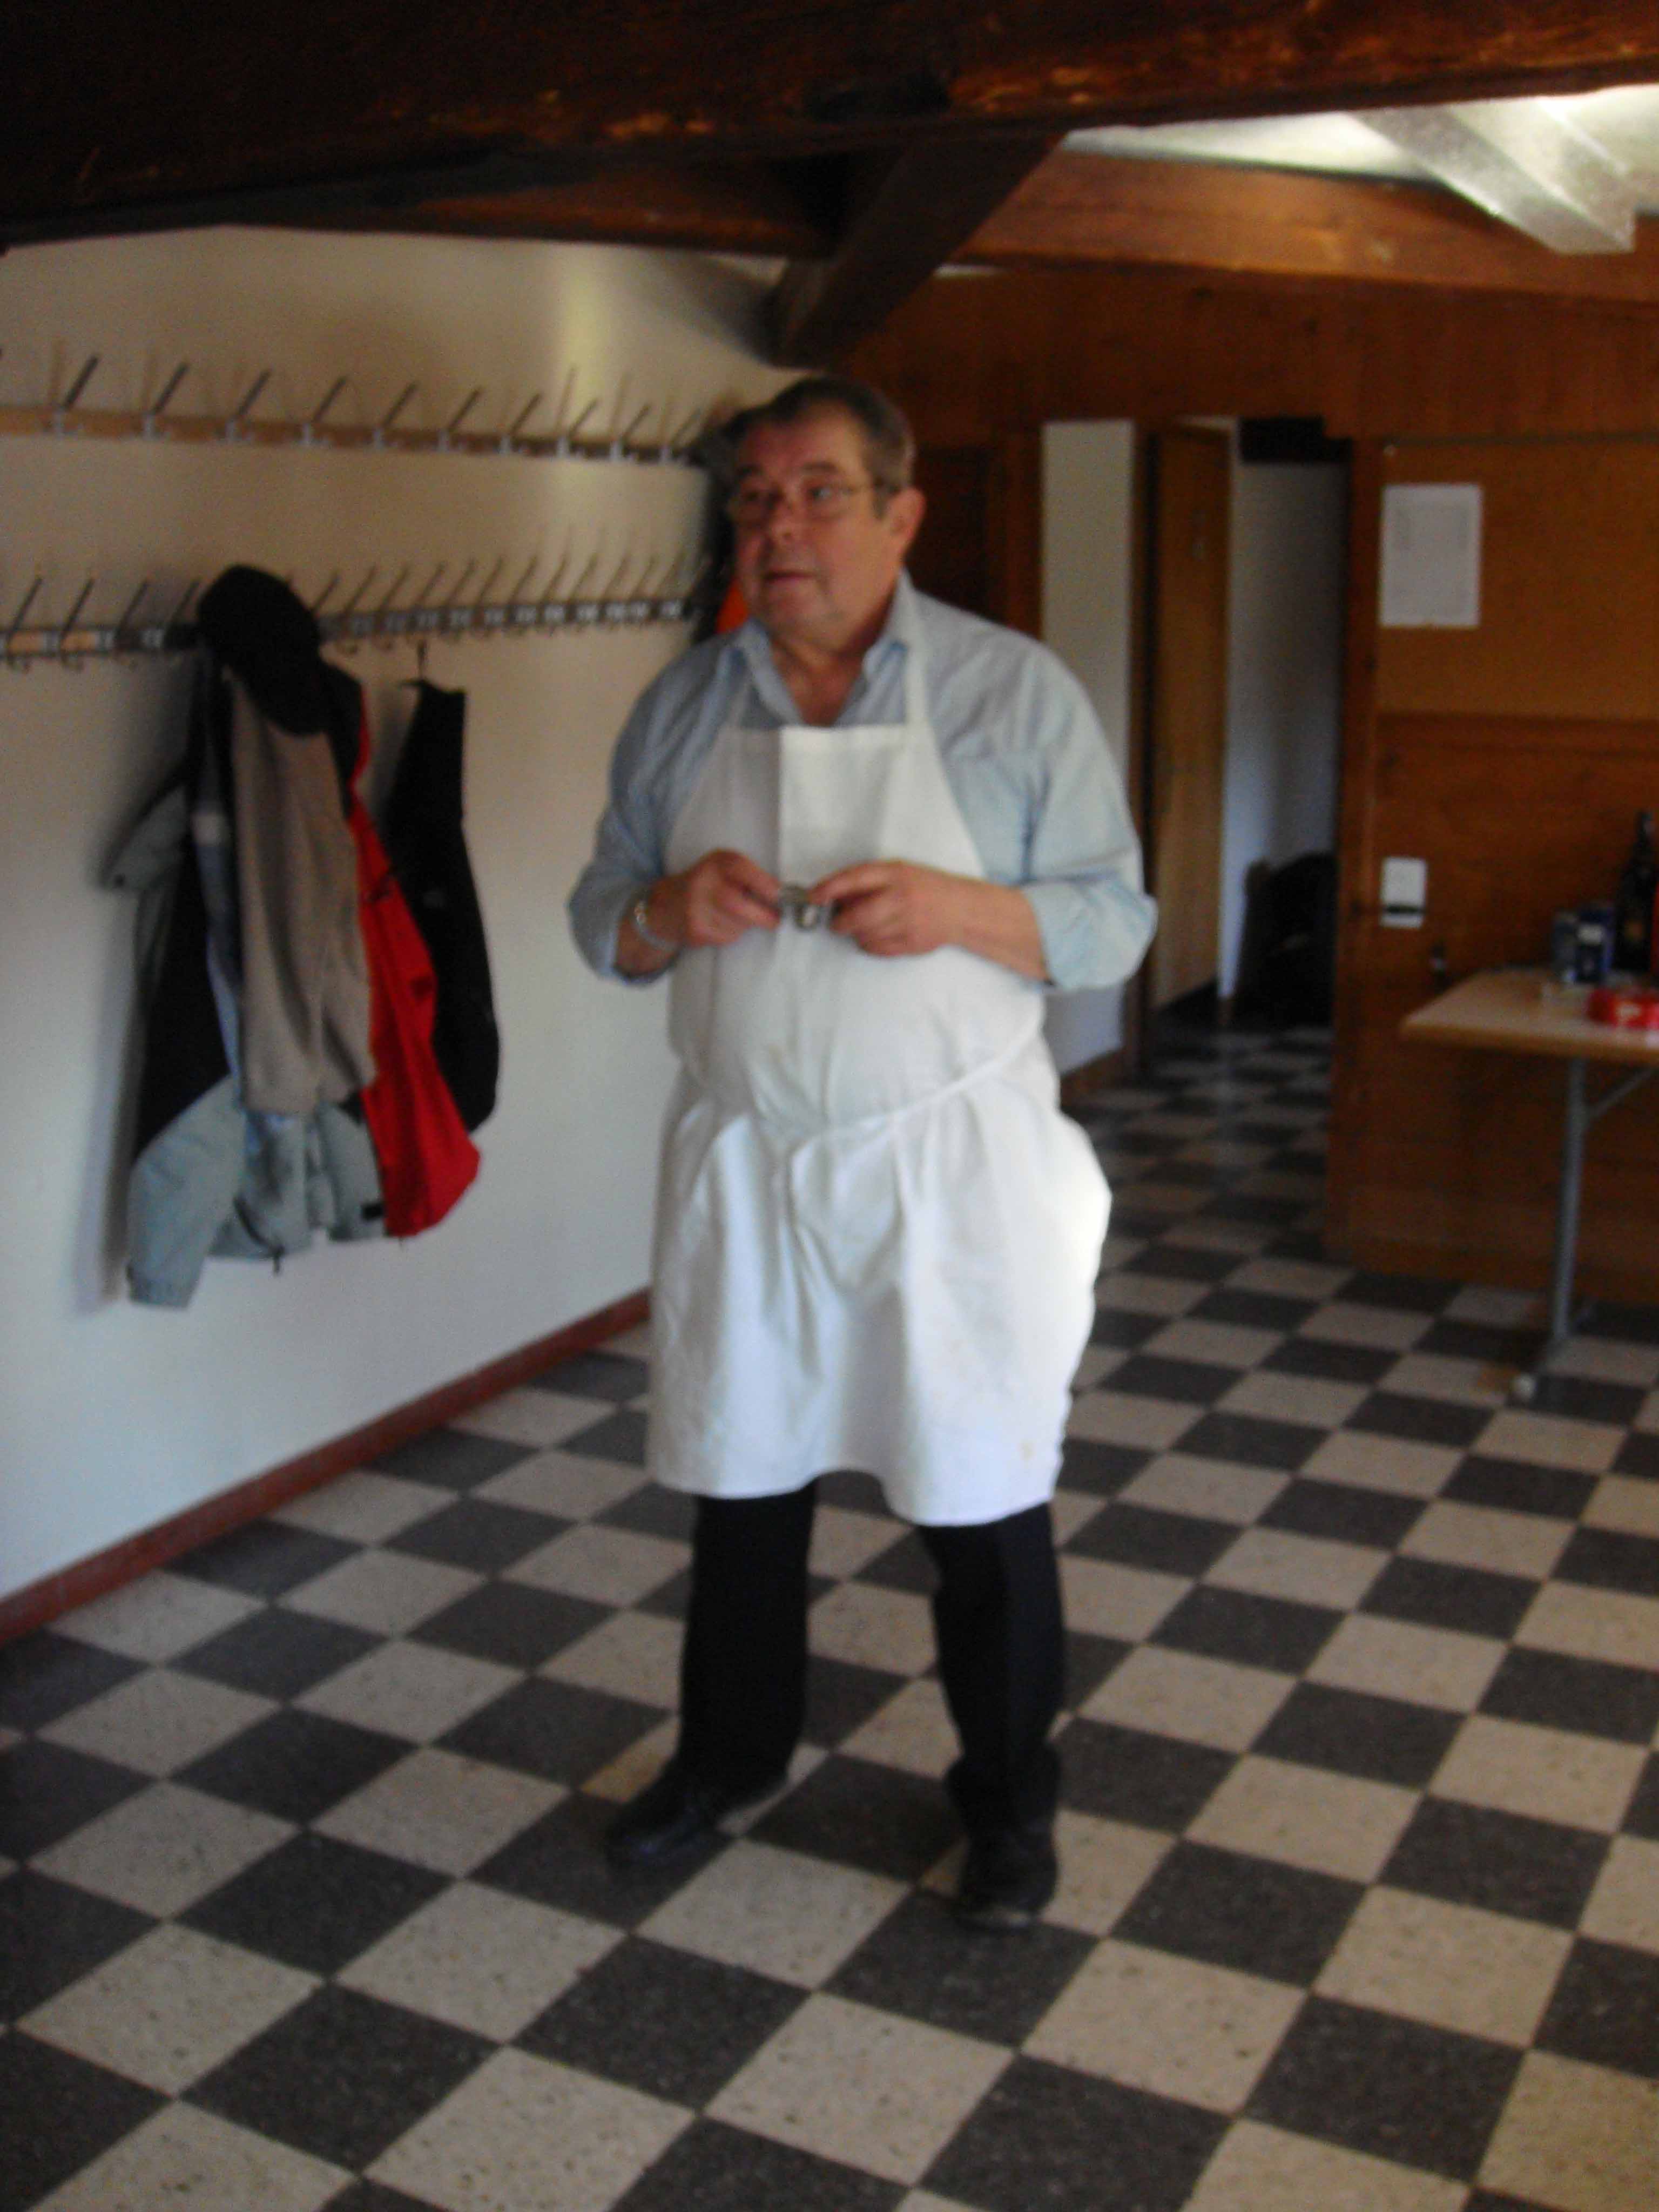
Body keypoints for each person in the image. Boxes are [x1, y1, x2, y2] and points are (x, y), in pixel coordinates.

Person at [568, 375, 1155, 1928]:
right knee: (742, 1487)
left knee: (981, 1499)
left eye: (820, 492)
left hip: (945, 1167)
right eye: (757, 500)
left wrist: (957, 908)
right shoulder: (684, 706)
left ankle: (1010, 1805)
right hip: (750, 1159)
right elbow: (601, 918)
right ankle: (726, 1759)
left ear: (902, 514)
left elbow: (1113, 919)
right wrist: (663, 911)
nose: (782, 527)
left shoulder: (1011, 693)